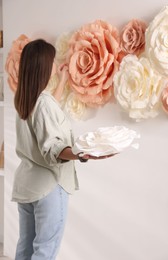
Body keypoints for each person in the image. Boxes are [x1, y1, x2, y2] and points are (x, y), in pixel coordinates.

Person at [12, 39, 115, 260]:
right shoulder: (43, 104)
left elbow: (47, 114)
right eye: (51, 61)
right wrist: (83, 154)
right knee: (45, 251)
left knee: (25, 247)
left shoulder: (24, 101)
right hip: (49, 186)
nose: (54, 65)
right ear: (43, 66)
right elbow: (54, 148)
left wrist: (63, 80)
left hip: (27, 187)